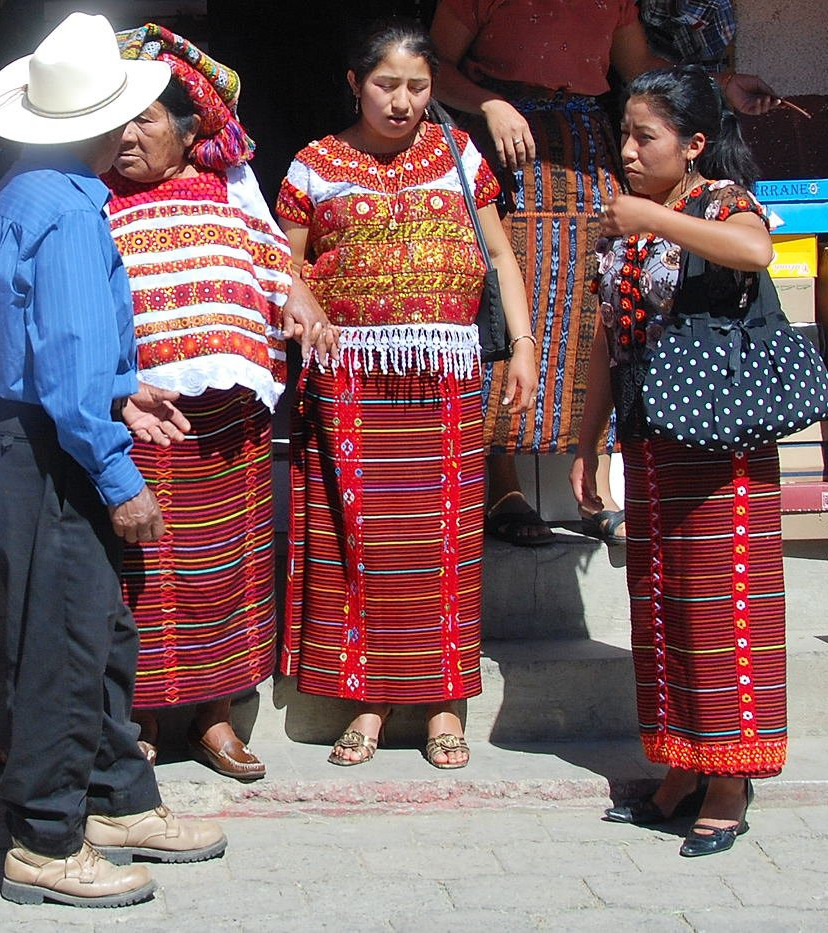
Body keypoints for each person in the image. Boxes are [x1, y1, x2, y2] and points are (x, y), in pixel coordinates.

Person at [0, 12, 227, 909]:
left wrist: (121, 387)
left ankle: (114, 795)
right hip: (48, 448)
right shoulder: (69, 218)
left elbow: (42, 343)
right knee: (65, 646)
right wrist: (120, 475)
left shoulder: (21, 198)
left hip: (21, 434)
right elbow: (67, 369)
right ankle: (44, 836)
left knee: (95, 631)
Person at [276, 21, 536, 769]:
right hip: (352, 382)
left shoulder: (459, 156)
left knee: (445, 546)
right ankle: (370, 698)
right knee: (364, 545)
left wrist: (520, 344)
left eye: (418, 86)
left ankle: (446, 704)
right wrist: (310, 308)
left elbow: (497, 253)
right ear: (354, 83)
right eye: (387, 84)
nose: (403, 101)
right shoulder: (312, 165)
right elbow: (284, 266)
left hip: (447, 379)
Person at [429, 0, 781, 546]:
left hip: (584, 143)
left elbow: (641, 72)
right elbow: (428, 66)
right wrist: (490, 104)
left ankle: (596, 481)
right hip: (503, 142)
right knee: (503, 293)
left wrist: (722, 86)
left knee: (599, 299)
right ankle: (502, 486)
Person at [572, 67, 782, 858]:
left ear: (693, 144)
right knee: (660, 608)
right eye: (623, 134)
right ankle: (681, 766)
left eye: (644, 136)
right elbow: (605, 334)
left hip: (721, 443)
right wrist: (588, 439)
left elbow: (754, 250)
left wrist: (653, 220)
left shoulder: (720, 201)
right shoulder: (624, 218)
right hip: (651, 437)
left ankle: (732, 778)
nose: (627, 149)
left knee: (722, 610)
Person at [103, 23, 318, 781]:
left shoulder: (228, 184)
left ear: (188, 130)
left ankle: (214, 716)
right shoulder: (93, 195)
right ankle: (133, 717)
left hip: (231, 420)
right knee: (139, 570)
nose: (128, 137)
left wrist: (299, 300)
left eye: (146, 120)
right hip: (141, 415)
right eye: (118, 121)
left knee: (223, 565)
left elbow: (270, 254)